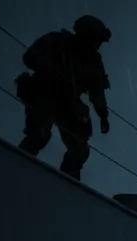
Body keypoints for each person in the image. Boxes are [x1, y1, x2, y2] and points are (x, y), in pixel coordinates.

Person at [15, 15, 113, 180]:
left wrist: (103, 115)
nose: (96, 45)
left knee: (80, 150)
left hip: (68, 101)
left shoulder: (93, 62)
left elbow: (97, 90)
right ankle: (17, 165)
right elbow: (29, 57)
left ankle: (68, 182)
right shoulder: (57, 42)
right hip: (45, 92)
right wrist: (50, 70)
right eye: (94, 40)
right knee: (39, 135)